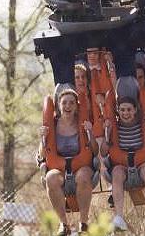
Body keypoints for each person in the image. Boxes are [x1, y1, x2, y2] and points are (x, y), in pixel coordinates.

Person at [101, 96, 145, 231]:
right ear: (118, 111)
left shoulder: (143, 124)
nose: (126, 113)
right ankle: (119, 217)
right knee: (117, 174)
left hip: (143, 161)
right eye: (122, 110)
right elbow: (103, 152)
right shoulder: (114, 127)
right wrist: (107, 135)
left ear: (135, 110)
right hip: (121, 163)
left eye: (129, 110)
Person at [38, 88, 99, 235]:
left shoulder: (82, 124)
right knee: (51, 178)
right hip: (58, 168)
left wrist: (90, 133)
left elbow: (95, 150)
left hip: (81, 167)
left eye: (72, 103)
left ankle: (84, 223)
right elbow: (41, 154)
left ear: (76, 106)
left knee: (83, 177)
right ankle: (64, 224)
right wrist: (42, 138)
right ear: (59, 105)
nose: (68, 106)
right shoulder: (52, 125)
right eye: (64, 102)